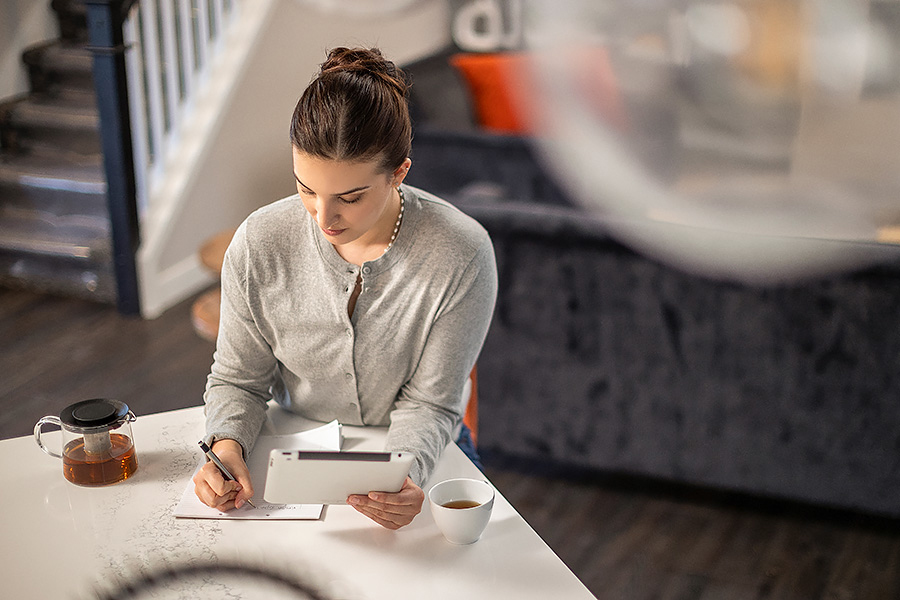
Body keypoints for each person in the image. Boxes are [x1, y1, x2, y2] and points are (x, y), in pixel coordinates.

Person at [192, 47, 498, 529]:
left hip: (419, 452)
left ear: (399, 171)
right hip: (289, 449)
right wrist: (225, 447)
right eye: (306, 188)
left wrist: (404, 474)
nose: (322, 218)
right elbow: (238, 380)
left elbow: (431, 403)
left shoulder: (461, 253)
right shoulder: (259, 241)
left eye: (350, 197)